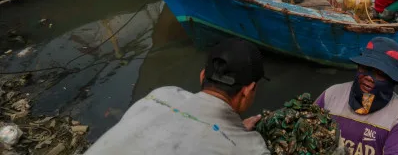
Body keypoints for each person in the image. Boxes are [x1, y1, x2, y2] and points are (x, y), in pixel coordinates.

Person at [84, 38, 270, 155]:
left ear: (202, 76)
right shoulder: (249, 148)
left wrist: (232, 129)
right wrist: (236, 135)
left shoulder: (159, 96)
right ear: (247, 90)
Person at [315, 37, 398, 155]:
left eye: (380, 73)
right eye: (366, 68)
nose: (369, 77)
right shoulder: (331, 95)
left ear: (391, 78)